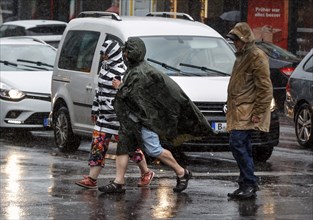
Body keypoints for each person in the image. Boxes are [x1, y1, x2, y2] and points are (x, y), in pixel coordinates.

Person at [98, 37, 214, 193]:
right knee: (123, 147)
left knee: (153, 150)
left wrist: (119, 87)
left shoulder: (141, 72)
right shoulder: (135, 69)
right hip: (131, 121)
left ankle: (182, 172)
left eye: (126, 52)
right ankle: (118, 182)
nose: (124, 55)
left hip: (144, 121)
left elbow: (134, 96)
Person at [75, 39, 154, 189]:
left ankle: (146, 172)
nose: (103, 57)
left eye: (106, 54)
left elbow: (130, 92)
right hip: (104, 118)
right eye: (103, 54)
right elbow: (99, 91)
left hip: (119, 118)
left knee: (129, 148)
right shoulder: (104, 68)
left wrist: (119, 88)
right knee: (98, 146)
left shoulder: (122, 71)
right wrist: (95, 109)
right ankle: (92, 178)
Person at [225, 22, 273, 199]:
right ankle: (246, 183)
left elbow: (265, 89)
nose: (234, 43)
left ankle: (250, 183)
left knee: (237, 143)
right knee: (241, 145)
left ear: (244, 39)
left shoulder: (256, 57)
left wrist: (258, 113)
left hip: (247, 111)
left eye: (236, 40)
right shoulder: (243, 56)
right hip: (240, 110)